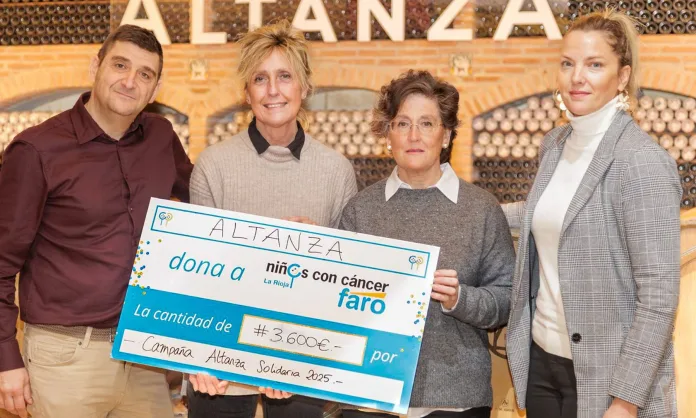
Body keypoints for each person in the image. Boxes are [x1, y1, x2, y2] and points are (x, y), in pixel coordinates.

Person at [0, 24, 193, 418]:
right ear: (96, 66)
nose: (130, 81)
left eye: (145, 74)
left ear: (155, 89)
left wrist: (278, 232)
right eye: (120, 65)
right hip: (65, 357)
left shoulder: (161, 137)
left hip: (144, 355)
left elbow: (205, 206)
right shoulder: (37, 149)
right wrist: (5, 358)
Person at [503, 10, 680, 418]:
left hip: (609, 380)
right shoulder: (554, 144)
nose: (577, 77)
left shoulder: (641, 161)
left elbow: (659, 298)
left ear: (622, 77)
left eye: (594, 65)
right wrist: (467, 209)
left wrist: (625, 401)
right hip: (542, 364)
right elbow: (543, 213)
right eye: (568, 63)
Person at [187, 20, 358, 418]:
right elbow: (196, 274)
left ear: (305, 87)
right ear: (246, 92)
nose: (273, 90)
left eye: (285, 76)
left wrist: (320, 249)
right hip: (221, 364)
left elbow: (345, 284)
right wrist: (197, 353)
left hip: (302, 363)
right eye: (260, 79)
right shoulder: (213, 166)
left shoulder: (336, 171)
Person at [338, 70, 515, 418]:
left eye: (427, 124)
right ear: (387, 133)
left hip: (455, 399)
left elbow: (507, 298)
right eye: (402, 124)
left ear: (445, 135)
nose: (414, 136)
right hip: (369, 396)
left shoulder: (480, 209)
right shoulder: (361, 210)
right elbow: (336, 301)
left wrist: (459, 299)